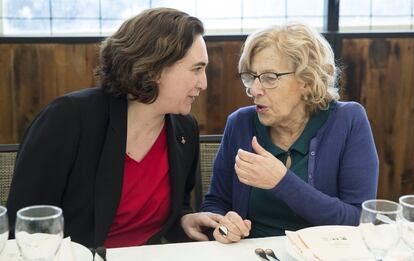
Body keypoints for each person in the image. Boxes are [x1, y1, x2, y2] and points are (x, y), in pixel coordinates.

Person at [6, 7, 221, 248]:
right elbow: (25, 223)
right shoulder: (67, 118)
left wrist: (185, 219)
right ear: (154, 68)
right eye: (196, 69)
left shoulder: (185, 128)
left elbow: (177, 205)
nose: (203, 83)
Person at [200, 22, 379, 243]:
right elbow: (215, 203)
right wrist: (225, 227)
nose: (255, 90)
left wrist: (282, 182)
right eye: (251, 77)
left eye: (270, 77)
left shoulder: (348, 121)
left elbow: (359, 219)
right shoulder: (240, 123)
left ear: (307, 80)